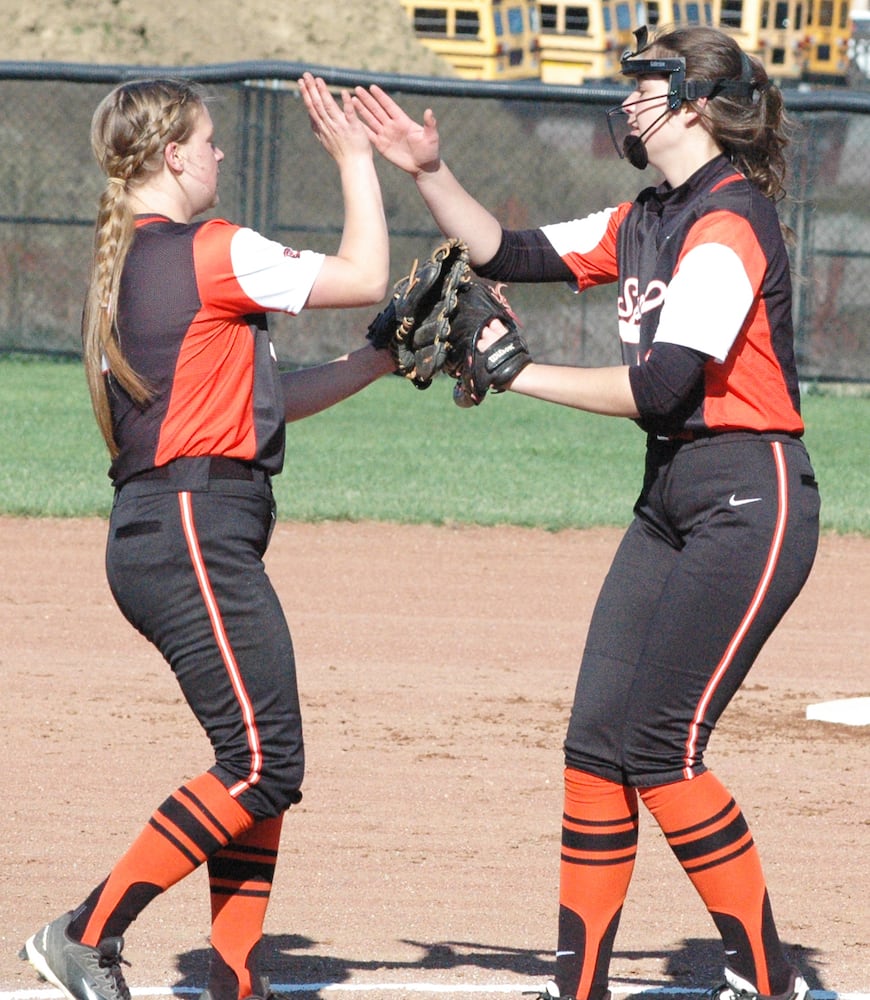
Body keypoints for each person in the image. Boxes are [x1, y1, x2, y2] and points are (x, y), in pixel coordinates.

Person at [352, 24, 820, 1000]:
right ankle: (580, 986)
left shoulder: (732, 222)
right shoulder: (647, 216)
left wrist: (515, 373)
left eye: (645, 86)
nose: (628, 101)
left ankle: (770, 979)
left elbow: (662, 385)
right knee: (596, 742)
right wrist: (430, 171)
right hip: (672, 501)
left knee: (660, 746)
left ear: (694, 105)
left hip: (751, 499)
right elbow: (511, 252)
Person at [21, 73, 393, 1000]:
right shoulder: (210, 250)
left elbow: (269, 401)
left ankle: (235, 979)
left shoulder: (146, 262)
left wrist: (381, 360)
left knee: (259, 761)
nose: (221, 152)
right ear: (176, 155)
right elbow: (367, 277)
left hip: (177, 528)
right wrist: (356, 159)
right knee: (265, 761)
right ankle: (84, 931)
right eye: (210, 139)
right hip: (190, 526)